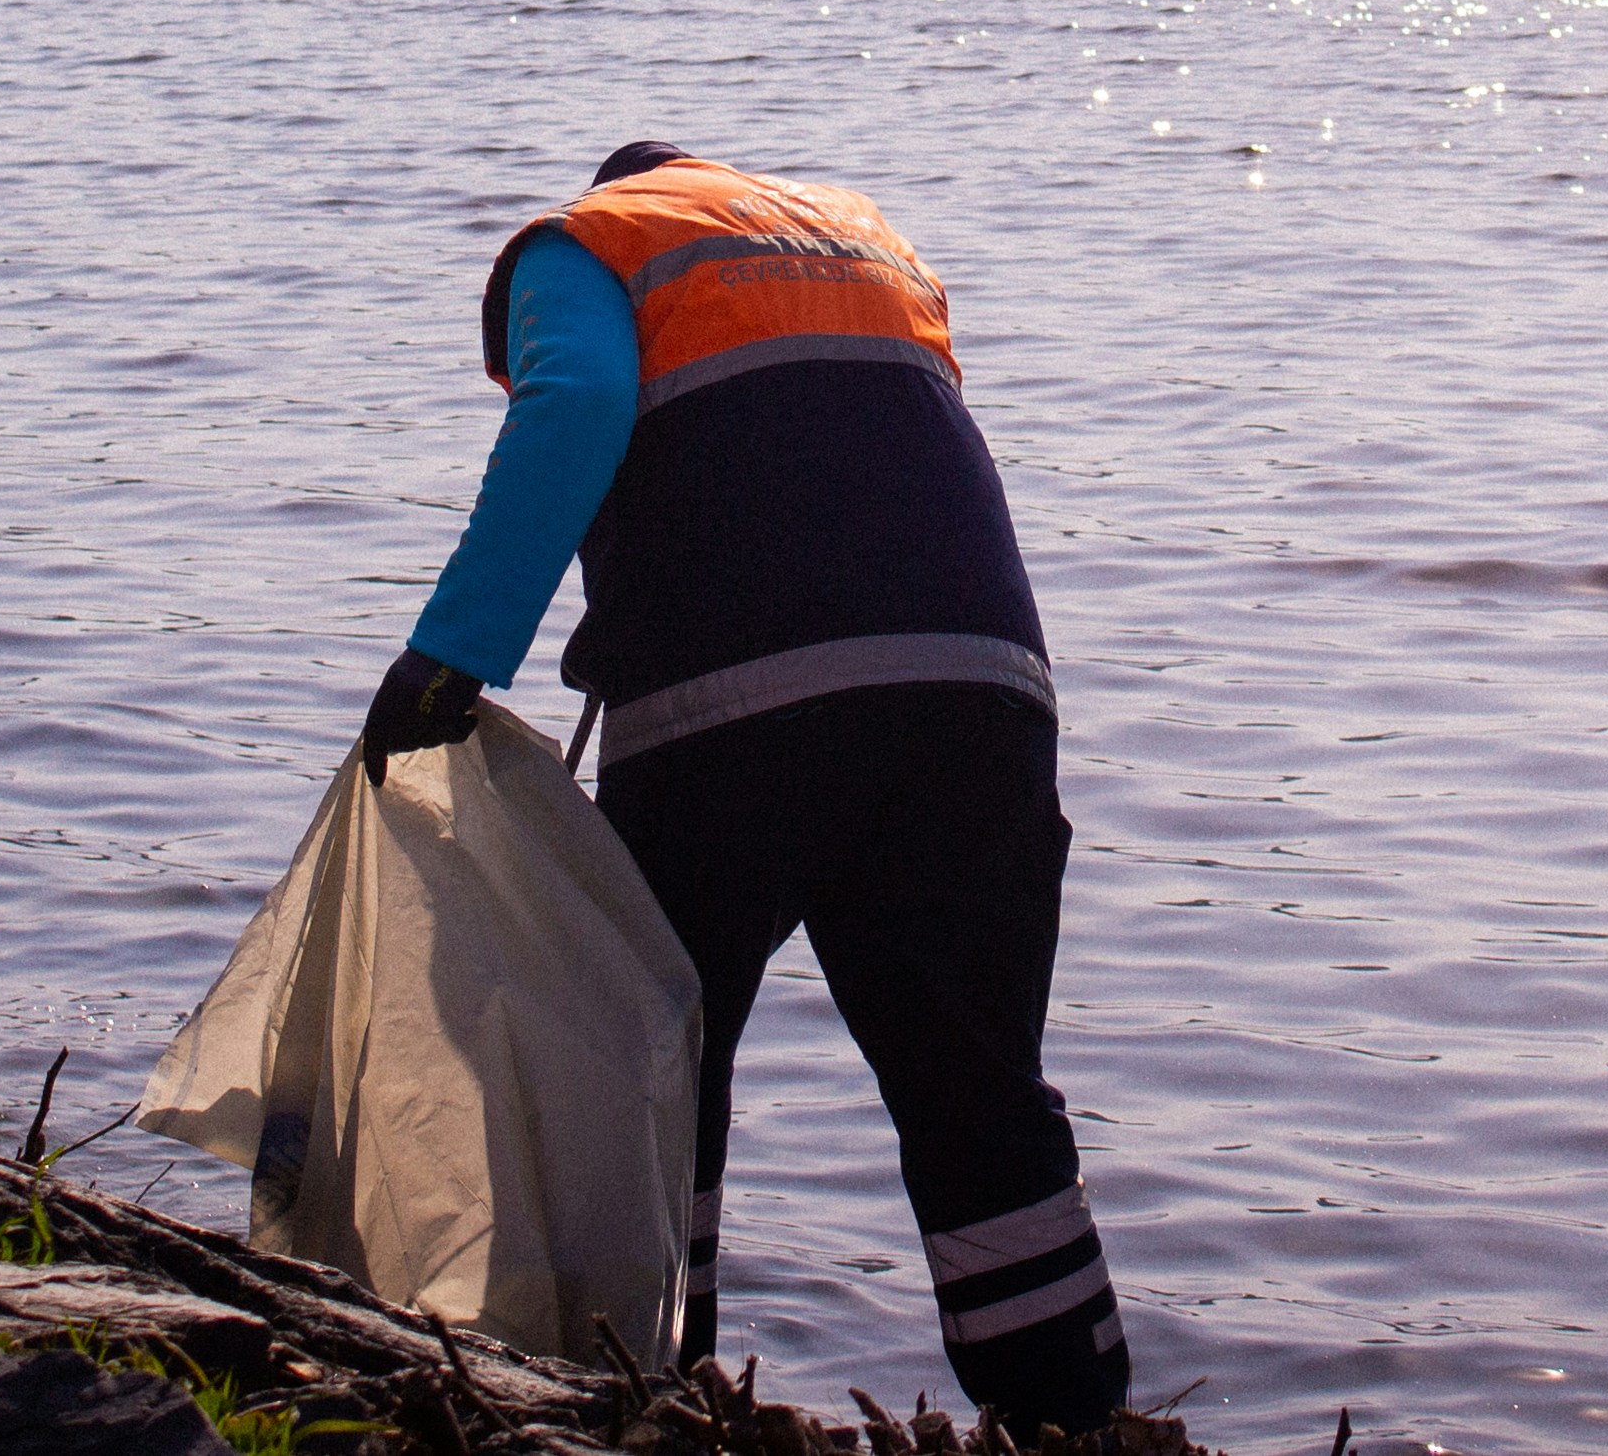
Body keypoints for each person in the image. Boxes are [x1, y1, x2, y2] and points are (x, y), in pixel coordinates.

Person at [357, 141, 1127, 1429]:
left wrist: (452, 656)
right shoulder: (861, 240)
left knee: (658, 1071)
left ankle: (649, 1396)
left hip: (733, 716)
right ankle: (1070, 1417)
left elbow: (578, 408)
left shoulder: (586, 244)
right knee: (978, 1093)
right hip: (982, 702)